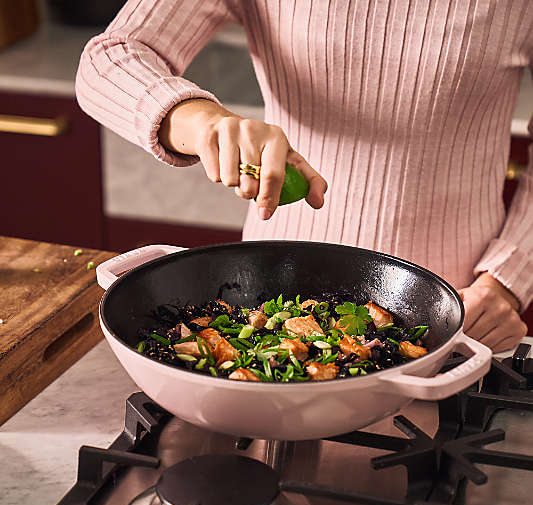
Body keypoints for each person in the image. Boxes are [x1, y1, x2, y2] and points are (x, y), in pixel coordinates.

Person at [76, 0, 532, 352]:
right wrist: (202, 123)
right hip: (270, 302)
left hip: (456, 314)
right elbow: (110, 58)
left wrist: (506, 279)